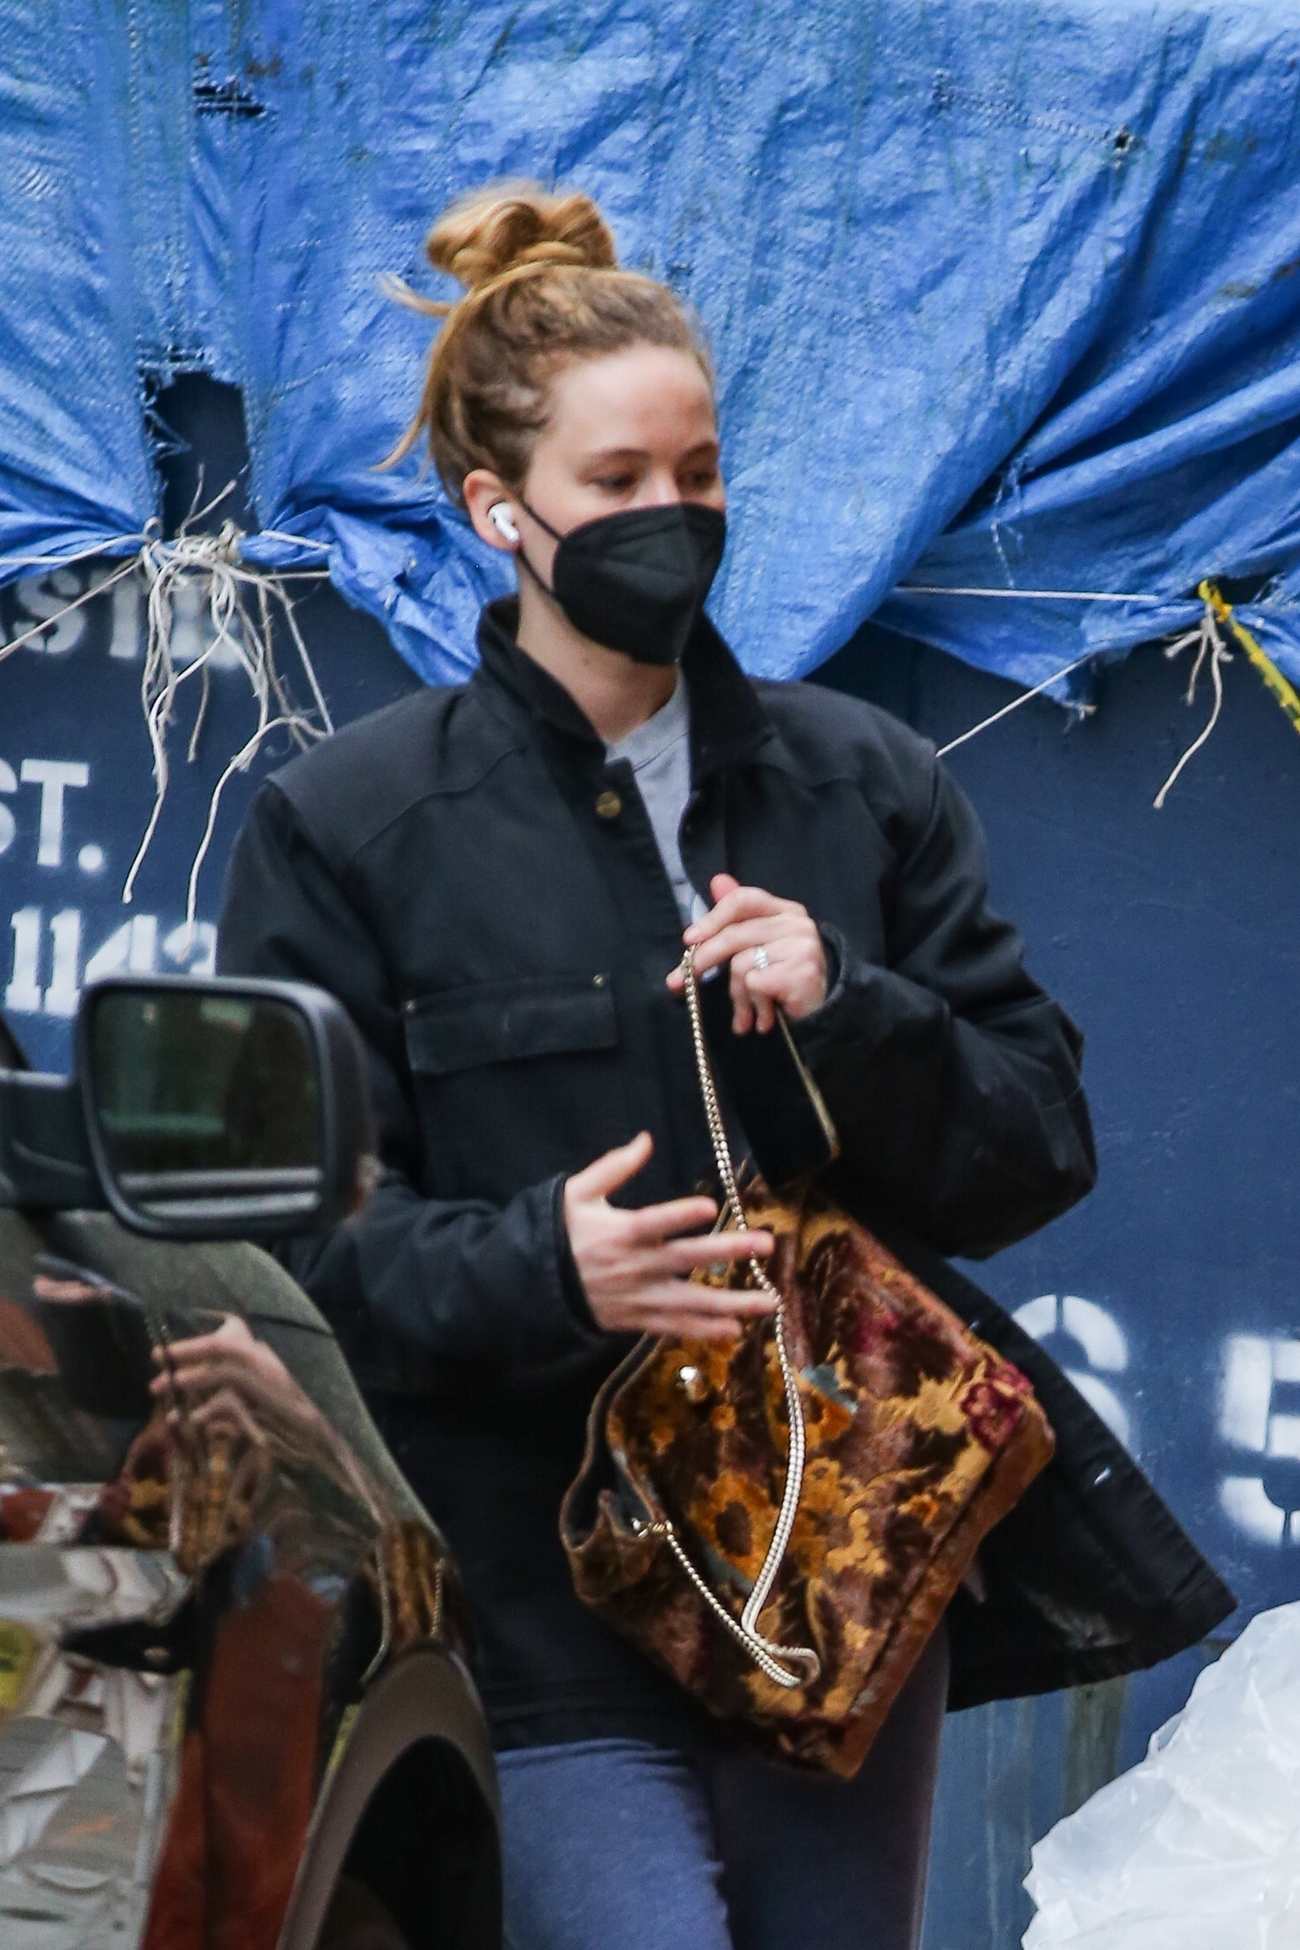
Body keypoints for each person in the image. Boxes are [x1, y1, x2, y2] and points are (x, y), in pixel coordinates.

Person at [217, 183, 1232, 1950]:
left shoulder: (867, 783)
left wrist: (849, 1004)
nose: (670, 516)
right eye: (617, 485)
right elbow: (291, 1240)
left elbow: (1034, 1144)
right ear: (497, 511)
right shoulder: (350, 825)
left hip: (841, 1580)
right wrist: (551, 1264)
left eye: (696, 473)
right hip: (524, 1596)